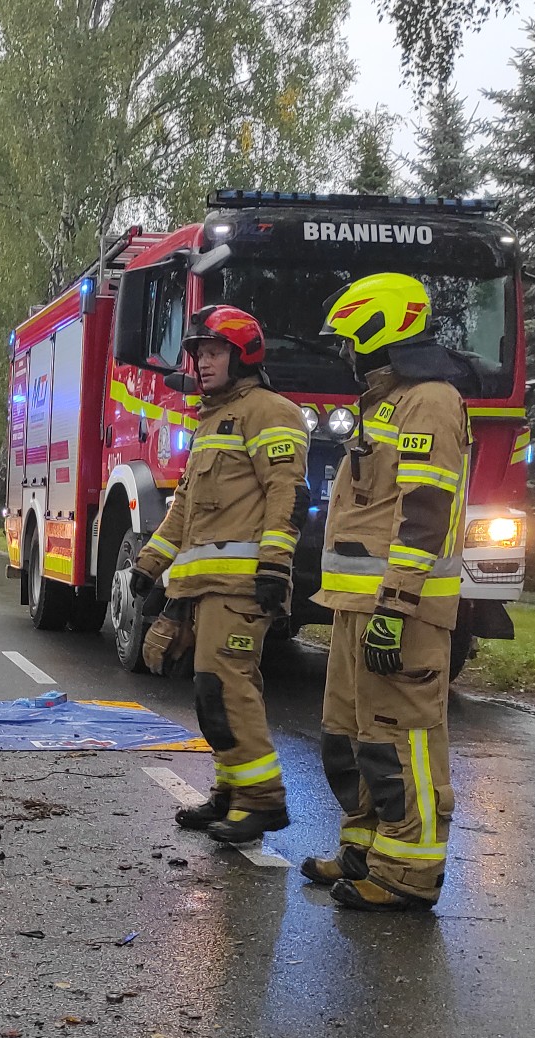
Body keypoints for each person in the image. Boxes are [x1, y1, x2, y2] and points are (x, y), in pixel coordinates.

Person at [301, 272, 472, 913]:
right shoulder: (385, 404)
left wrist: (396, 605)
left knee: (404, 739)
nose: (346, 353)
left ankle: (408, 874)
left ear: (380, 331)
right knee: (352, 737)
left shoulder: (430, 402)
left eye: (350, 340)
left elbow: (425, 513)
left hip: (402, 608)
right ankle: (364, 849)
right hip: (359, 606)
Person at [126, 305, 308, 845]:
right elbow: (184, 509)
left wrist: (275, 566)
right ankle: (231, 790)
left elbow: (286, 495)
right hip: (205, 588)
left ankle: (262, 800)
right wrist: (149, 566)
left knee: (227, 688)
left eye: (213, 353)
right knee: (212, 692)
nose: (202, 363)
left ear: (243, 355)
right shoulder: (210, 422)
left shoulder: (271, 413)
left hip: (243, 586)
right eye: (198, 355)